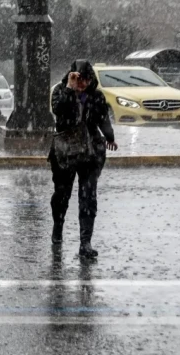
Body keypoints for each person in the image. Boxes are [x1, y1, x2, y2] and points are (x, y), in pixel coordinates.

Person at [49, 59, 119, 259]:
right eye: (79, 79)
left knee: (88, 197)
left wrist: (110, 137)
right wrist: (70, 89)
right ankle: (58, 227)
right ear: (71, 76)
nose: (82, 84)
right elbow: (58, 110)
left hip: (90, 153)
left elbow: (103, 118)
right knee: (62, 194)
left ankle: (85, 242)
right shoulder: (61, 92)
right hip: (65, 151)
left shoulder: (96, 96)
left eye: (86, 80)